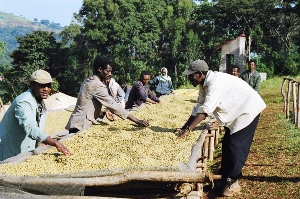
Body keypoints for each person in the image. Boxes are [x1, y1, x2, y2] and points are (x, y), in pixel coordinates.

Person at [175, 59, 266, 197]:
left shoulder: (215, 83)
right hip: (236, 112)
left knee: (236, 145)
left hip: (247, 109)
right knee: (227, 144)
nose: (189, 78)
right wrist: (184, 127)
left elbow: (205, 111)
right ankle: (224, 177)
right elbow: (198, 107)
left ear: (199, 74)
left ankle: (233, 181)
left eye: (191, 75)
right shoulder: (203, 84)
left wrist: (189, 130)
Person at [0, 70, 72, 161]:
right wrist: (55, 143)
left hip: (22, 149)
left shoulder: (39, 101)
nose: (46, 89)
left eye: (48, 85)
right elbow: (30, 127)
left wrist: (39, 141)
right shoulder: (23, 101)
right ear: (32, 85)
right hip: (8, 149)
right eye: (42, 85)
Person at [66, 56, 149, 133]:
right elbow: (112, 104)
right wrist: (137, 120)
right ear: (100, 69)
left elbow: (87, 104)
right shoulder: (97, 85)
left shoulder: (88, 81)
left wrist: (104, 111)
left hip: (75, 122)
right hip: (81, 125)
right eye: (108, 71)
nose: (110, 74)